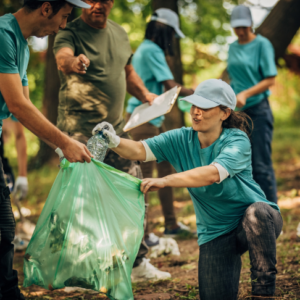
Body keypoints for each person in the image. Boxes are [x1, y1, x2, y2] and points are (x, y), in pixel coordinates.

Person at [95, 79, 283, 300]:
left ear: (224, 113)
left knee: (257, 213)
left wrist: (166, 180)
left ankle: (263, 292)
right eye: (194, 106)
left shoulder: (237, 140)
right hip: (216, 233)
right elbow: (138, 150)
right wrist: (113, 140)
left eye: (204, 107)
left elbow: (212, 174)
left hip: (254, 222)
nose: (196, 113)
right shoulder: (181, 138)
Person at [53, 0, 170, 282]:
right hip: (78, 132)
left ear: (112, 3)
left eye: (104, 0)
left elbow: (128, 72)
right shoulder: (69, 30)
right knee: (82, 201)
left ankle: (137, 262)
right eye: (91, 0)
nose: (98, 5)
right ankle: (76, 271)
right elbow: (62, 59)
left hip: (115, 131)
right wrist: (75, 62)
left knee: (135, 188)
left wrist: (146, 96)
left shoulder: (120, 33)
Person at [0, 0, 93, 298]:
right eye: (64, 17)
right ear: (46, 8)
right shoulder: (2, 35)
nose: (63, 26)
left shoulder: (21, 45)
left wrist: (59, 147)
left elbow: (23, 109)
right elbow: (16, 104)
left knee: (4, 230)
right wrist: (65, 142)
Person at [126, 8, 194, 241]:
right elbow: (169, 85)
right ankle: (142, 236)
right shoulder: (151, 49)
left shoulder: (147, 49)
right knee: (143, 178)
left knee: (165, 169)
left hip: (153, 118)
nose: (173, 40)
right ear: (163, 31)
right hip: (143, 121)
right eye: (172, 34)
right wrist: (199, 93)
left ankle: (171, 225)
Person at [227, 5, 278, 203]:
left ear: (251, 25)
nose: (239, 31)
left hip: (258, 109)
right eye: (236, 27)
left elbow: (270, 78)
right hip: (237, 112)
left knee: (261, 165)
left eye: (243, 27)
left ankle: (272, 214)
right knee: (241, 164)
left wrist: (246, 93)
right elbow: (233, 78)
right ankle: (252, 213)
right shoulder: (232, 47)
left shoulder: (262, 45)